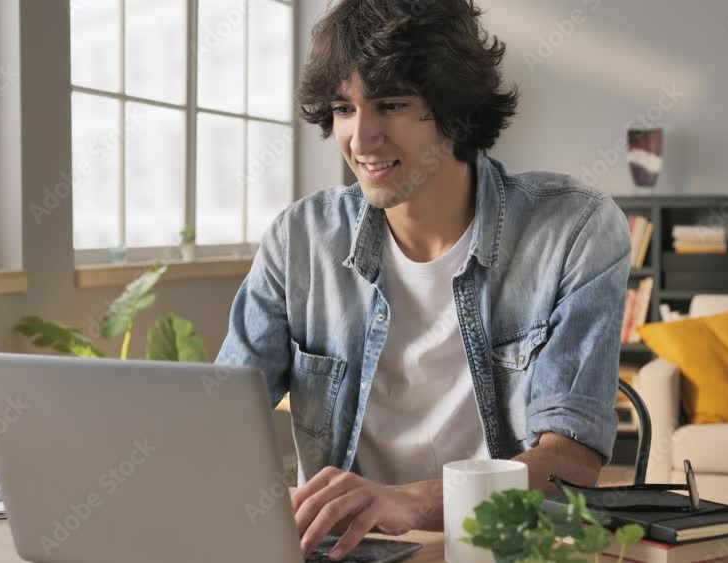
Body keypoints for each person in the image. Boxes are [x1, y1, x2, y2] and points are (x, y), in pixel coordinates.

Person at [216, 0, 630, 559]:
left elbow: (571, 464)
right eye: (342, 108)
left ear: (453, 109)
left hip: (505, 549)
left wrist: (407, 501)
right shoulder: (300, 238)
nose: (361, 139)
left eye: (390, 105)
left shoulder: (573, 229)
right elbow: (215, 418)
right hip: (350, 552)